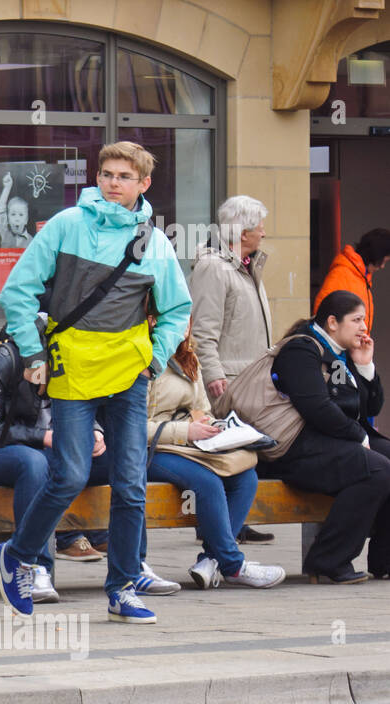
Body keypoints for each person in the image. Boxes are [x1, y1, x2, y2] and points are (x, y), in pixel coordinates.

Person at [0, 141, 192, 623]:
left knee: (130, 484)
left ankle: (122, 587)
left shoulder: (156, 243)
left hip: (129, 375)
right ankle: (17, 554)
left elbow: (176, 311)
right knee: (69, 476)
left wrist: (154, 358)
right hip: (72, 371)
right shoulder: (66, 225)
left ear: (144, 184)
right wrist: (33, 352)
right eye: (106, 174)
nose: (112, 183)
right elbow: (17, 291)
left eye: (124, 176)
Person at [0, 328, 178, 603]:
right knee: (34, 464)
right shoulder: (5, 359)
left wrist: (96, 431)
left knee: (126, 461)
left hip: (56, 450)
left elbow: (89, 408)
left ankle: (134, 567)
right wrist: (44, 437)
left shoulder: (72, 360)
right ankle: (36, 567)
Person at [261, 291, 390, 583]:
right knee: (377, 469)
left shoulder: (341, 354)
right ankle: (328, 560)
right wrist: (358, 436)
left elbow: (370, 407)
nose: (363, 327)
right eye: (356, 320)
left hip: (333, 442)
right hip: (298, 450)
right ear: (332, 322)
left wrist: (365, 366)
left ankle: (385, 560)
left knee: (383, 460)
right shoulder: (302, 351)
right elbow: (315, 407)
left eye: (364, 320)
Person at [147, 324, 286, 589]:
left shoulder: (187, 356)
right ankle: (233, 565)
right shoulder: (141, 358)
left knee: (244, 474)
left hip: (189, 443)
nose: (184, 327)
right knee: (207, 481)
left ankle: (210, 560)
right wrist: (186, 431)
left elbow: (201, 408)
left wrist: (215, 428)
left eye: (186, 319)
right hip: (152, 448)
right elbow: (132, 426)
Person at [189, 194, 276, 544]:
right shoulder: (215, 267)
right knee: (231, 455)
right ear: (242, 231)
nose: (264, 233)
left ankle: (232, 523)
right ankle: (220, 528)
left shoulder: (247, 266)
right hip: (230, 380)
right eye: (259, 227)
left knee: (244, 456)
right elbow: (202, 331)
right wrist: (212, 375)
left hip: (250, 378)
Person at [314, 229, 390, 329]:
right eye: (382, 262)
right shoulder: (343, 274)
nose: (382, 267)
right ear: (376, 255)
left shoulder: (360, 276)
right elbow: (321, 314)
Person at [0, 173, 33, 248]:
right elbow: (0, 210)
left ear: (26, 220)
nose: (17, 219)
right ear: (8, 219)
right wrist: (7, 188)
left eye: (21, 215)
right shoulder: (5, 234)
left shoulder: (31, 240)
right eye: (13, 214)